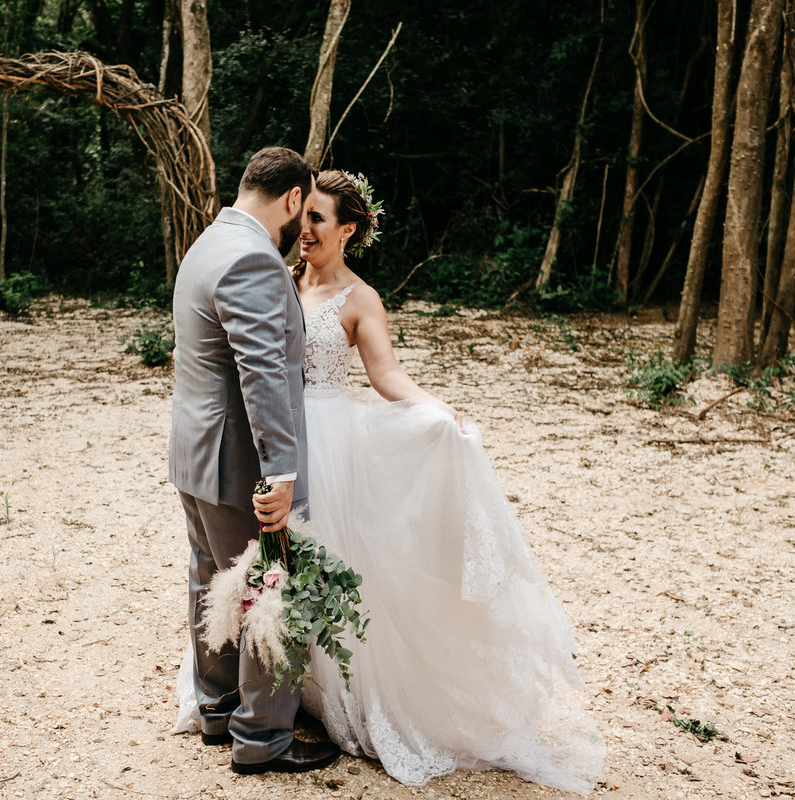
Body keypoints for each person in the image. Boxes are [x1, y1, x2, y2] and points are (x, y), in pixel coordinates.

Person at [176, 169, 605, 793]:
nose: (305, 230)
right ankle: (259, 719)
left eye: (319, 220)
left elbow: (387, 376)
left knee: (288, 576)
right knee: (254, 575)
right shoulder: (275, 274)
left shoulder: (359, 297)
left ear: (347, 229)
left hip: (321, 447)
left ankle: (272, 713)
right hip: (274, 448)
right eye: (306, 217)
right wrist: (279, 462)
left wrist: (438, 413)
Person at [168, 146, 341, 776]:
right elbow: (262, 372)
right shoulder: (253, 259)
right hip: (240, 462)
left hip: (194, 455)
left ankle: (217, 710)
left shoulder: (207, 243)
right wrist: (282, 469)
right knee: (274, 586)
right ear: (294, 199)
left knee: (213, 580)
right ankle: (262, 738)